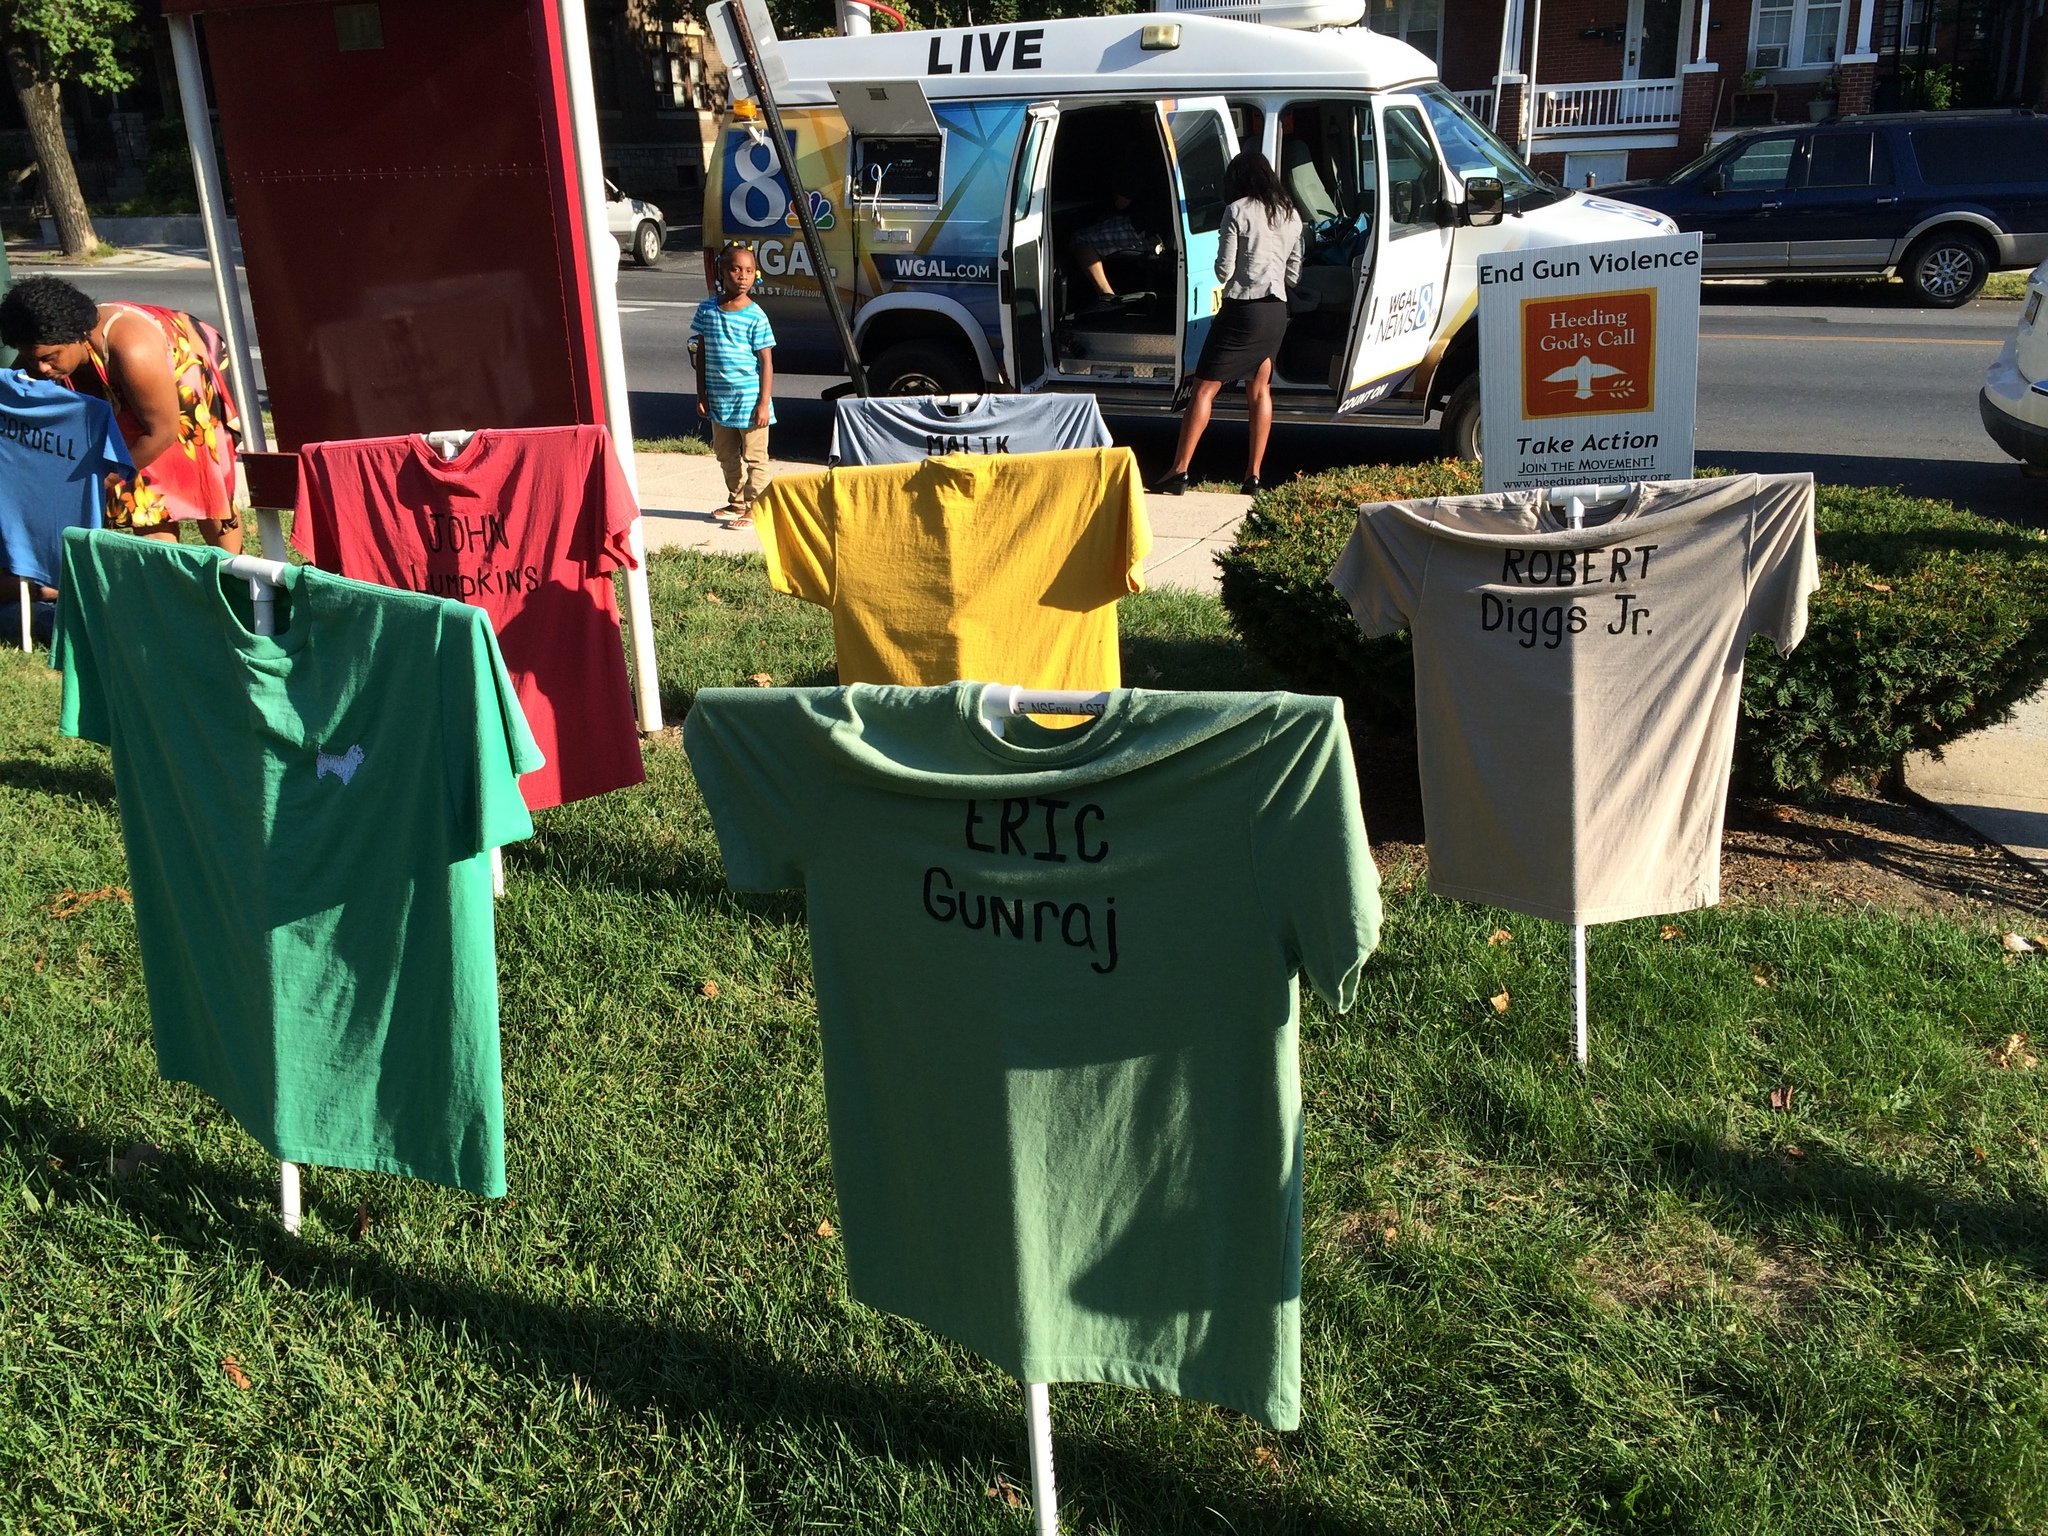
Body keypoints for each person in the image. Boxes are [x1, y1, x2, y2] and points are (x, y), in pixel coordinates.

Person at [0, 275, 242, 551]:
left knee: (203, 480)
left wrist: (99, 480)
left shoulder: (132, 350)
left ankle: (234, 576)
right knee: (145, 502)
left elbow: (161, 432)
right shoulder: (41, 344)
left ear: (76, 336)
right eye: (33, 358)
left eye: (49, 357)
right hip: (124, 384)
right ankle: (162, 579)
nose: (40, 369)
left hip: (181, 369)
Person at [1150, 151, 1302, 498]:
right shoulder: (1290, 214)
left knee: (1204, 389)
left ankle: (1179, 470)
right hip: (1275, 310)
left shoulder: (1236, 211)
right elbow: (1293, 272)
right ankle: (1253, 477)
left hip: (1242, 310)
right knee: (1260, 390)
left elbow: (1224, 270)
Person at [691, 243, 776, 530]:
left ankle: (756, 507)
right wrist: (701, 393)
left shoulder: (756, 316)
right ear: (721, 272)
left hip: (750, 401)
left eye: (749, 270)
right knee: (725, 454)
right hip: (719, 400)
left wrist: (764, 403)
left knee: (755, 457)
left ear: (756, 275)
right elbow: (700, 352)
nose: (742, 276)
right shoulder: (707, 310)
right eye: (736, 269)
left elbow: (766, 362)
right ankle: (737, 501)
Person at [1067, 187, 1157, 315]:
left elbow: (1121, 203)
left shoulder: (1134, 170)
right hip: (1159, 232)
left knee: (1080, 239)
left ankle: (1107, 296)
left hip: (1144, 232)